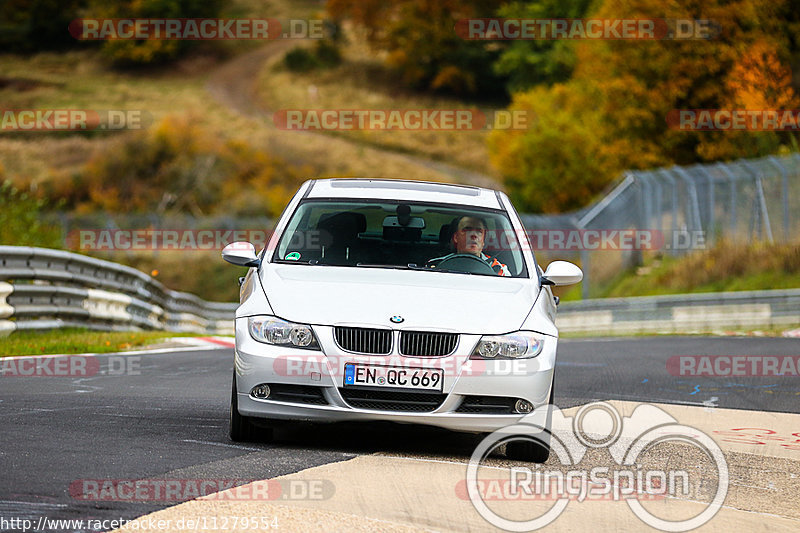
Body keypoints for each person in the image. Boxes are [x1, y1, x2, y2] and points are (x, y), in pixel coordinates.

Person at [429, 215, 511, 276]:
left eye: (479, 231)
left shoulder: (499, 270)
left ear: (484, 239)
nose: (473, 235)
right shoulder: (435, 265)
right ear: (456, 237)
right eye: (467, 230)